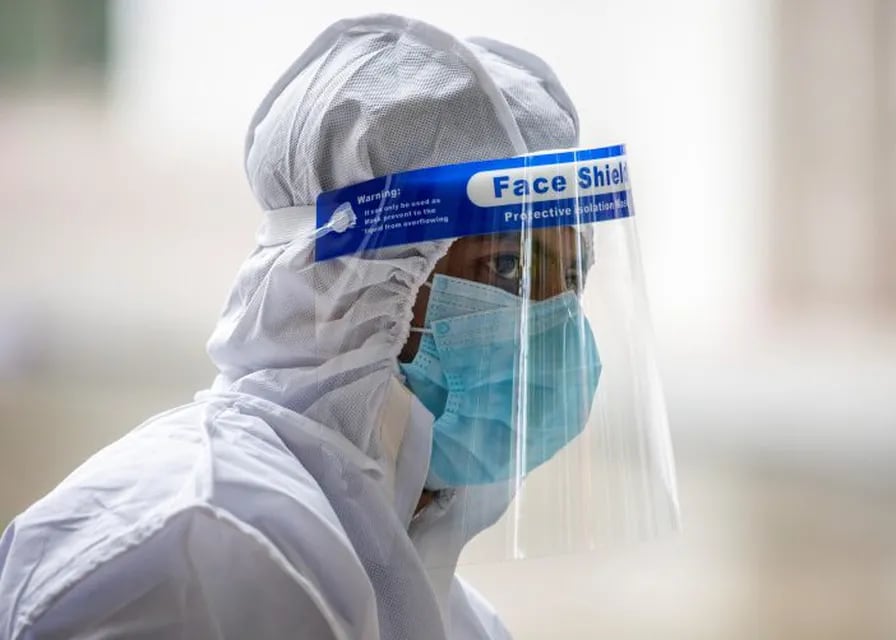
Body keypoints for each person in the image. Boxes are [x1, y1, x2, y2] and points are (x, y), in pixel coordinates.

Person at [0, 14, 596, 640]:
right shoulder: (200, 555)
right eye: (507, 267)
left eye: (574, 275)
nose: (558, 319)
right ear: (360, 283)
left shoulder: (439, 607)